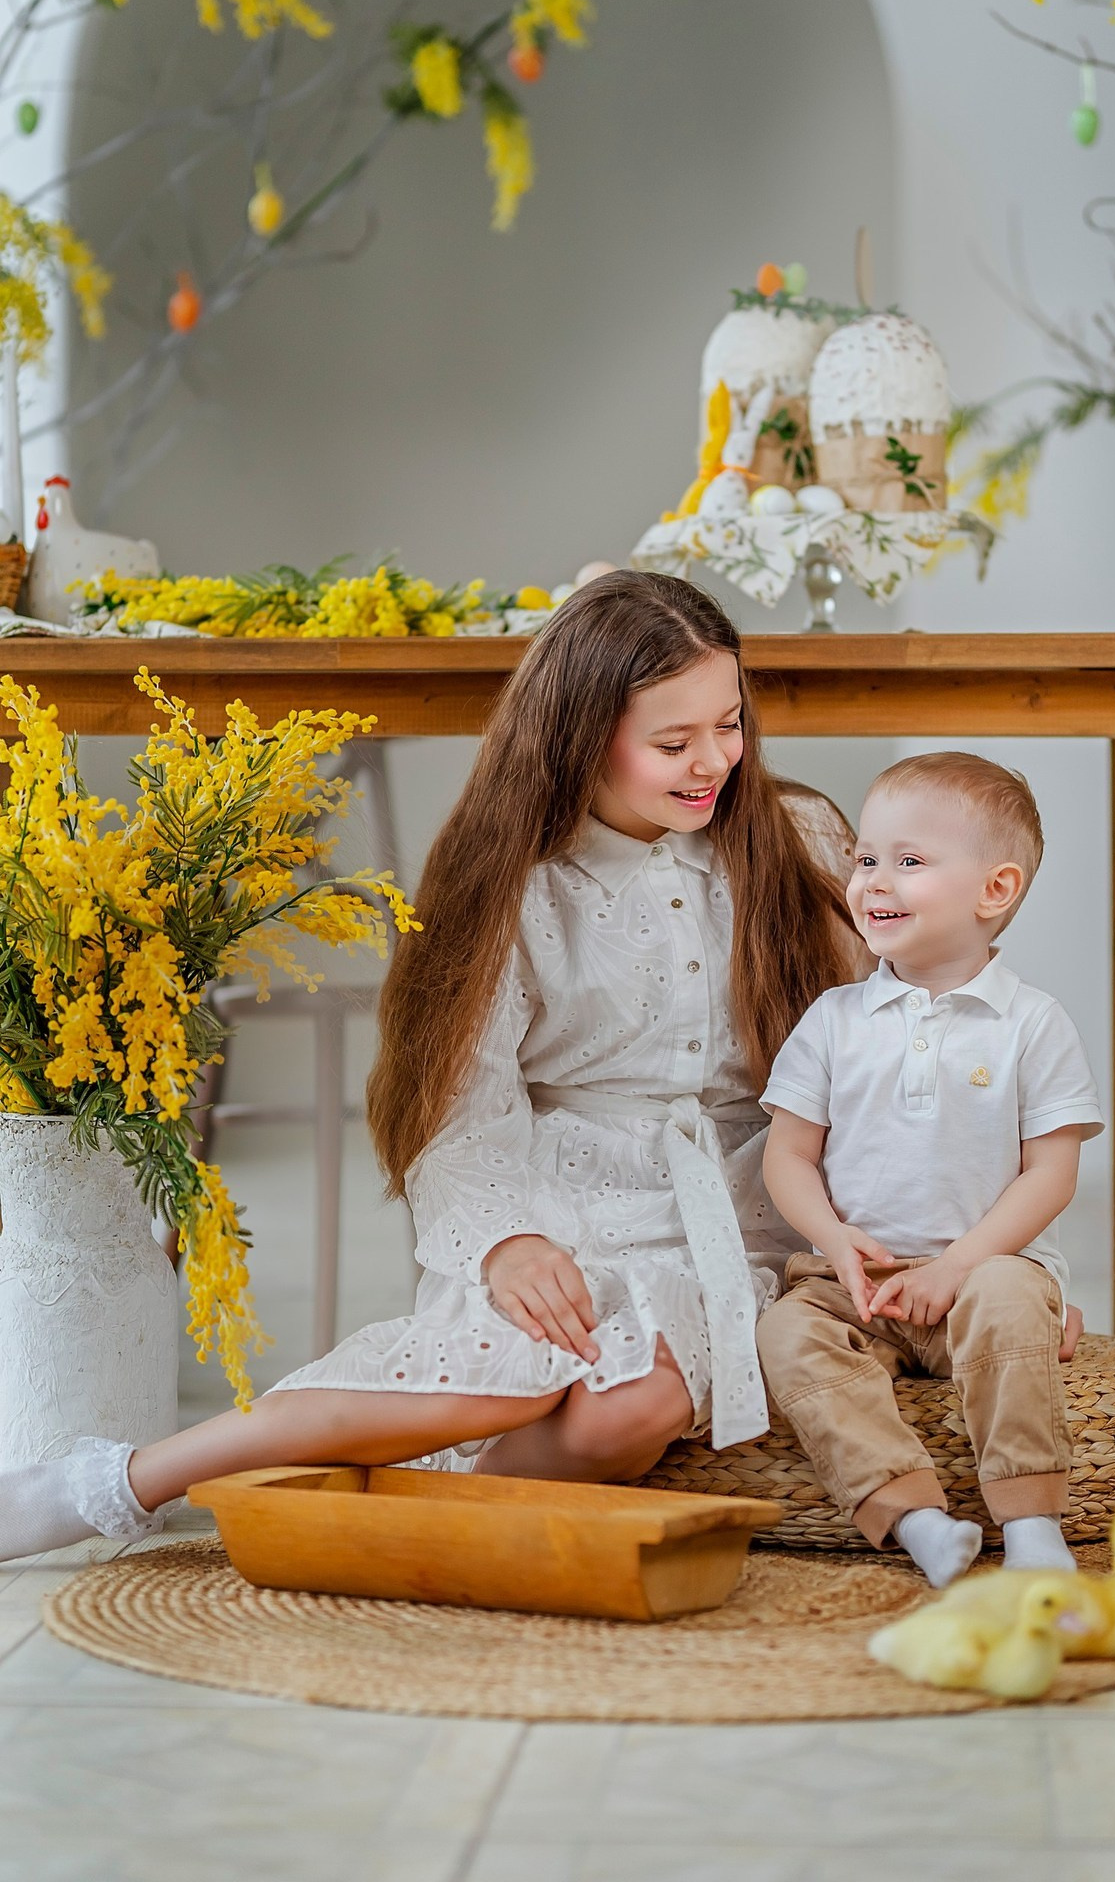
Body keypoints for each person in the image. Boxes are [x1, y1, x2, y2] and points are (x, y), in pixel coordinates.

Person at [0, 571, 869, 1562]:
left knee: (626, 1412)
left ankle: (385, 1525)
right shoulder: (519, 884)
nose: (712, 761)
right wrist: (507, 1241)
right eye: (672, 744)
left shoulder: (799, 840)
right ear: (582, 738)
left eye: (729, 724)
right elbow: (459, 1101)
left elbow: (884, 1037)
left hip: (743, 1207)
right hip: (567, 1197)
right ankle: (116, 1480)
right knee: (502, 1380)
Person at [756, 751, 1102, 1590]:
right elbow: (788, 1154)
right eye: (866, 858)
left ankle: (1031, 1523)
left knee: (1009, 1300)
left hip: (983, 1269)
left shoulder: (1031, 1023)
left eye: (909, 861)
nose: (874, 880)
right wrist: (832, 1239)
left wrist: (957, 1267)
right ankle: (914, 1517)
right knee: (786, 1334)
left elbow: (1050, 1175)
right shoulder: (834, 1019)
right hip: (860, 1283)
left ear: (995, 889)